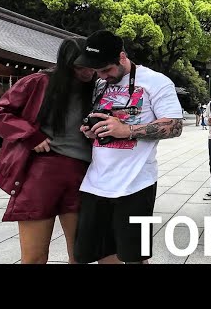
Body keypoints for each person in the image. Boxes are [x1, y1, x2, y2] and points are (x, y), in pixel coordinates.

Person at [72, 30, 183, 264]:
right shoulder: (101, 84)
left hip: (136, 184)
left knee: (135, 256)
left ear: (122, 57)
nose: (101, 75)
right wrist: (92, 131)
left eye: (106, 69)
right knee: (101, 253)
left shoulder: (156, 81)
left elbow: (174, 126)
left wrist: (128, 130)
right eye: (97, 71)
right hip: (96, 182)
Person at [0, 37, 96, 264]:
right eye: (80, 66)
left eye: (90, 65)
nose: (87, 72)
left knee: (81, 255)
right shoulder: (38, 82)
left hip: (83, 176)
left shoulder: (97, 88)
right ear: (66, 64)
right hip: (41, 172)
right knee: (34, 257)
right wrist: (30, 135)